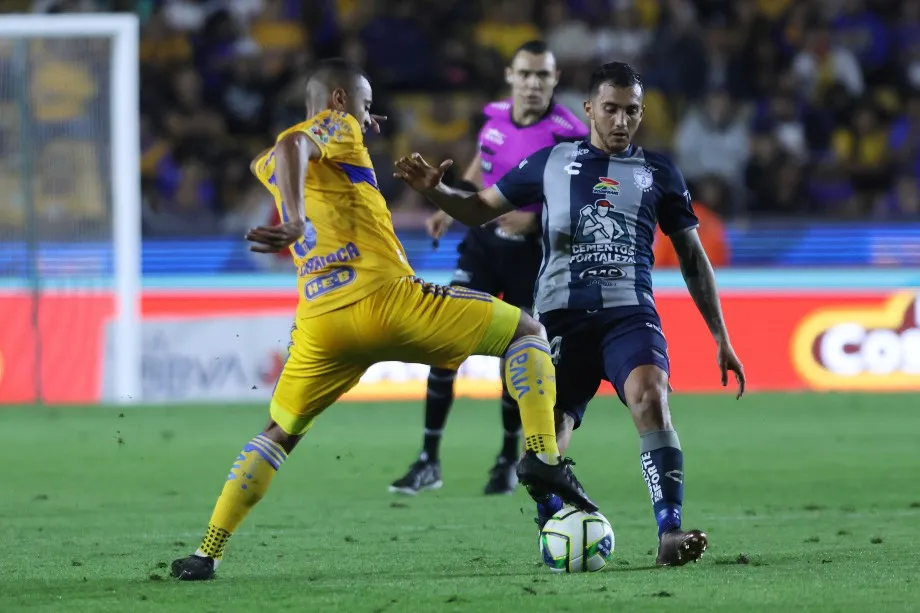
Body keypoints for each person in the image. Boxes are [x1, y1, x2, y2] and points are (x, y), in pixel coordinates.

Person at [169, 59, 596, 581]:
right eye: (366, 107)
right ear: (340, 102)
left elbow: (288, 154)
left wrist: (315, 185)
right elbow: (295, 145)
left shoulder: (275, 161)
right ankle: (541, 461)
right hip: (389, 301)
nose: (371, 122)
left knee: (279, 431)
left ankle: (207, 552)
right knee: (527, 332)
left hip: (323, 324)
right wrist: (296, 217)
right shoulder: (331, 130)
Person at [393, 61, 746, 567]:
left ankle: (669, 533)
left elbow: (692, 256)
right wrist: (436, 191)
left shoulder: (659, 172)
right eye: (611, 109)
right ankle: (554, 527)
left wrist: (721, 335)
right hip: (562, 318)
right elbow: (478, 209)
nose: (621, 120)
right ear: (588, 110)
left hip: (629, 313)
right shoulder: (552, 161)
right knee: (548, 432)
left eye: (631, 111)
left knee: (651, 394)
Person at [389, 40, 588, 497]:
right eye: (526, 74)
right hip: (482, 245)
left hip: (531, 256)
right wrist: (450, 203)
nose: (534, 83)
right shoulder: (495, 115)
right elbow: (484, 163)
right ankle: (427, 461)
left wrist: (535, 218)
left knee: (513, 358)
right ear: (510, 76)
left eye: (543, 75)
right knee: (444, 339)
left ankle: (504, 460)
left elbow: (582, 197)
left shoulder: (570, 133)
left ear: (555, 80)